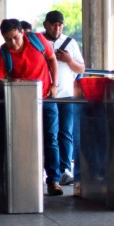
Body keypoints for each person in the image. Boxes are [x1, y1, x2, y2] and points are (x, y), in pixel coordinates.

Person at [0, 18, 63, 196]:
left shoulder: (38, 40)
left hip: (46, 99)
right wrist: (11, 81)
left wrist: (55, 84)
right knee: (24, 141)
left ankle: (54, 180)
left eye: (15, 37)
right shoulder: (2, 54)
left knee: (51, 139)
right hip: (21, 103)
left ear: (22, 33)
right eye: (7, 39)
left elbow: (52, 59)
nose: (12, 43)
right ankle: (27, 179)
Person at [42, 10, 85, 186]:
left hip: (66, 95)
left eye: (60, 25)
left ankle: (65, 170)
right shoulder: (39, 42)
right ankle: (52, 171)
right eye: (53, 24)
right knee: (49, 134)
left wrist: (68, 60)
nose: (57, 28)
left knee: (65, 133)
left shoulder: (70, 42)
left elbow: (81, 69)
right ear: (46, 25)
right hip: (46, 96)